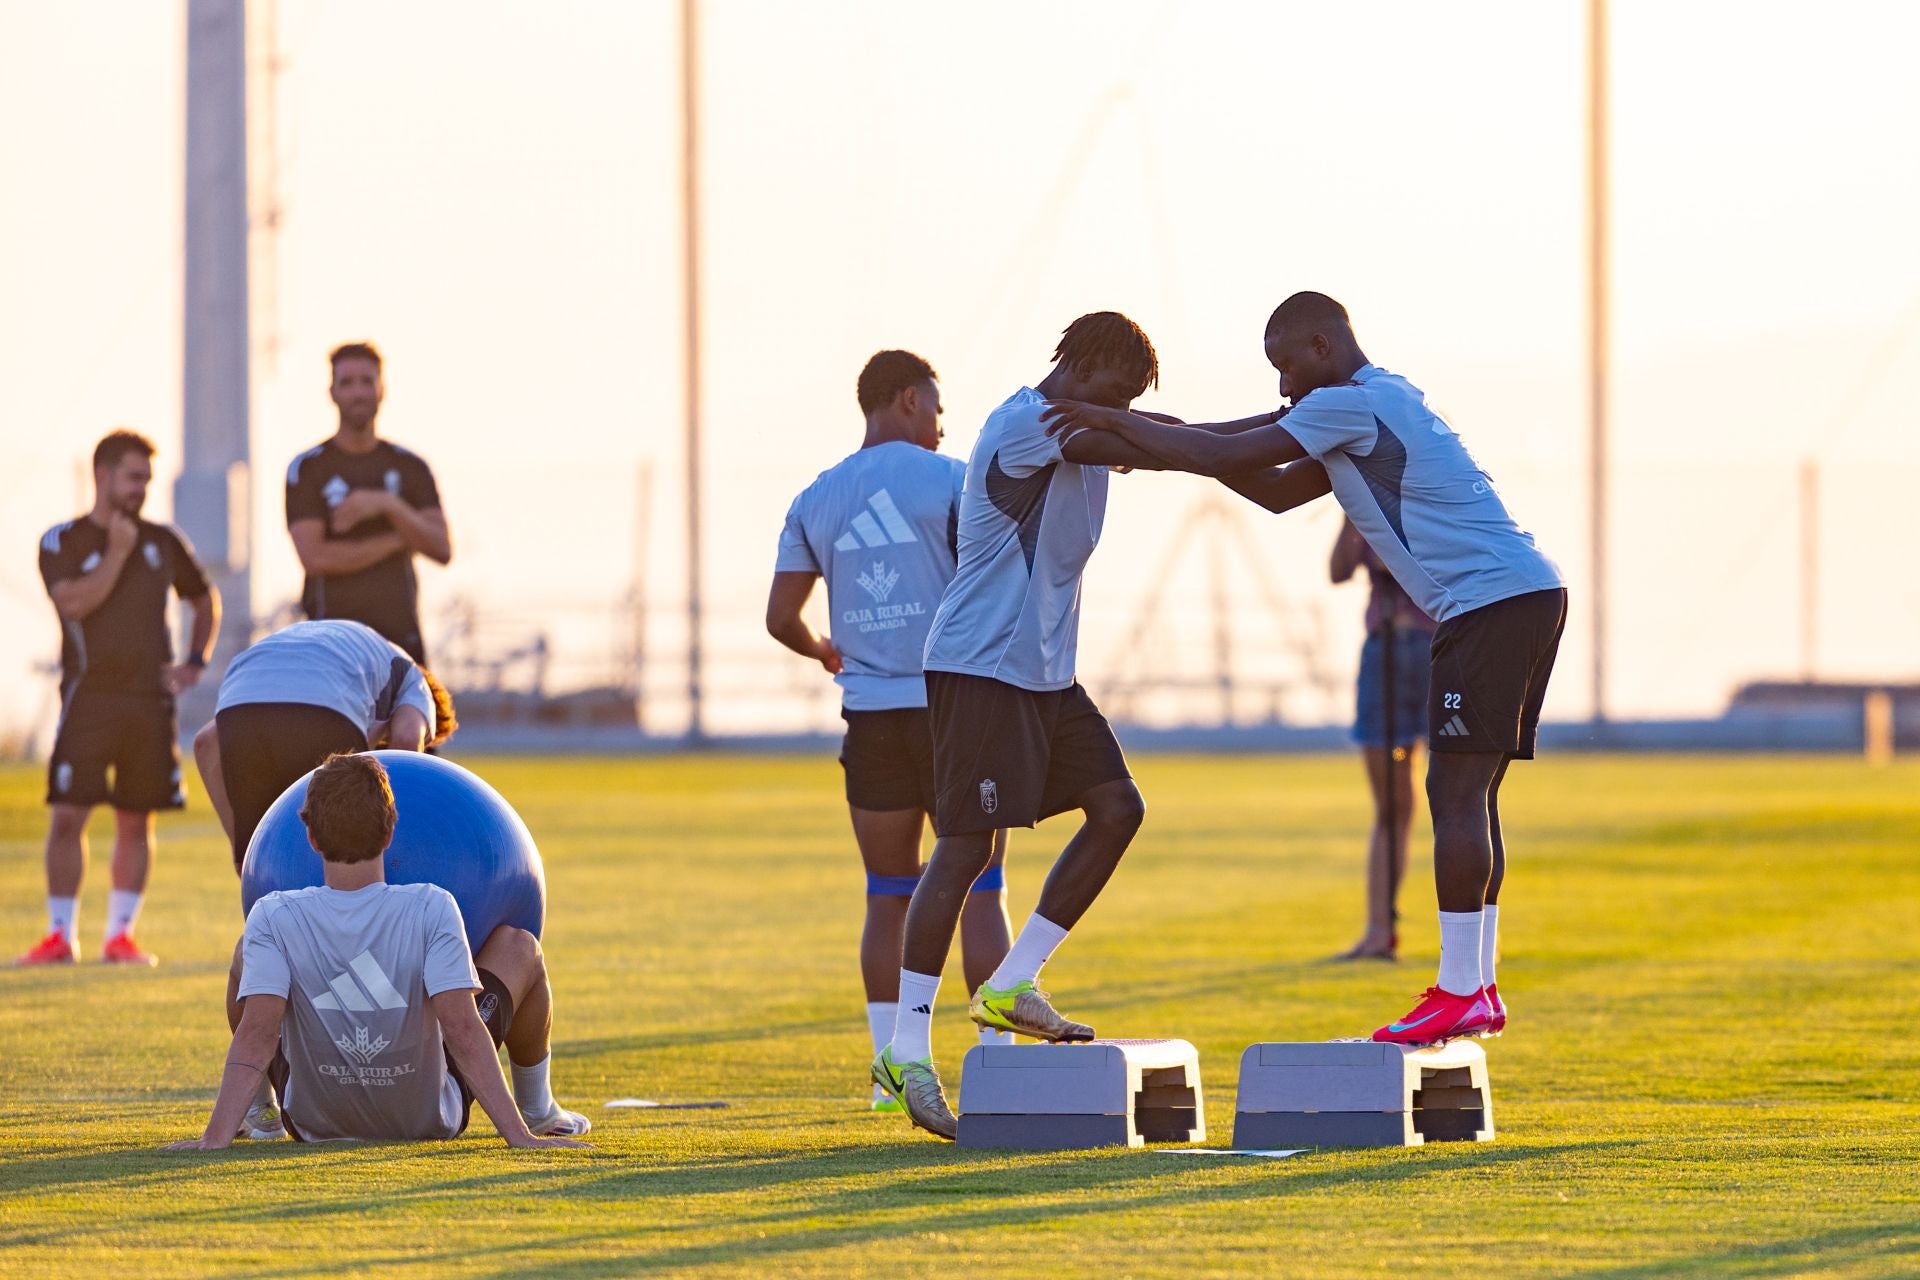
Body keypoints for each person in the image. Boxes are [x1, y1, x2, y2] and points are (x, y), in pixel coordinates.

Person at [1042, 292, 1567, 1045]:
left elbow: (1231, 452)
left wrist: (1117, 426)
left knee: (1453, 794)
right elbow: (1279, 487)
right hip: (1526, 592)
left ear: (1321, 346)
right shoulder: (1381, 398)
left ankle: (1461, 989)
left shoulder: (1350, 404)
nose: (1283, 386)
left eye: (1286, 365)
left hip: (1490, 603)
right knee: (1471, 795)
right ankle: (1475, 986)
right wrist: (1153, 436)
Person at [870, 312, 1183, 1140]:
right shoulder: (1026, 426)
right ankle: (903, 1047)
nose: (1114, 409)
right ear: (1079, 367)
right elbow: (1153, 443)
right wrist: (1249, 445)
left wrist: (1284, 435)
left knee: (1120, 808)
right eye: (1111, 392)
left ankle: (1012, 982)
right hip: (980, 667)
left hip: (1044, 675)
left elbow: (1163, 437)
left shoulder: (1088, 421)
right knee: (967, 849)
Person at [766, 350, 1014, 1114]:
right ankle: (998, 1066)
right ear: (907, 399)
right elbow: (1000, 574)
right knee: (980, 887)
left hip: (870, 715)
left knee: (887, 894)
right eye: (937, 407)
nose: (944, 425)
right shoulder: (951, 480)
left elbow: (780, 618)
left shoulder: (818, 497)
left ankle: (890, 1068)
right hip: (955, 710)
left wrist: (823, 649)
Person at [165, 753, 590, 1149]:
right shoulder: (433, 905)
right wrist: (520, 1139)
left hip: (313, 1123)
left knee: (248, 955)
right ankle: (537, 1112)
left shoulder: (273, 915)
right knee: (521, 947)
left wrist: (213, 1141)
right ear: (391, 831)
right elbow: (462, 1029)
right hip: (428, 1119)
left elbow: (257, 1035)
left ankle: (262, 1115)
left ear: (310, 836)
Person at [17, 430, 220, 968]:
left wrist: (195, 661)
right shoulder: (62, 541)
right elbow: (74, 603)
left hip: (150, 701)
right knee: (68, 815)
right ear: (102, 476)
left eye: (147, 481)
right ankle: (60, 935)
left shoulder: (164, 540)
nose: (141, 491)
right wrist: (118, 551)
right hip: (88, 698)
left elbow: (204, 598)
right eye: (133, 478)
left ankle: (120, 936)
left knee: (137, 818)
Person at [192, 619, 458, 872]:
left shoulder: (361, 654)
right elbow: (408, 741)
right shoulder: (414, 678)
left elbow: (205, 744)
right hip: (326, 709)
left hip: (239, 704)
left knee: (259, 865)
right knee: (349, 854)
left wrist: (245, 845)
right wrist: (399, 844)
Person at [286, 342, 451, 664]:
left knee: (419, 714)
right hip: (331, 643)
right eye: (347, 383)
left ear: (382, 389)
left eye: (367, 381)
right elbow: (316, 557)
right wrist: (399, 539)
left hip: (401, 643)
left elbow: (441, 547)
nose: (358, 393)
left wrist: (388, 504)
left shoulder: (411, 467)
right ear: (331, 392)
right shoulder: (309, 468)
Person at [1329, 516, 1437, 961]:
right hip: (1385, 650)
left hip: (1437, 650)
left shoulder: (1438, 494)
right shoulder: (1365, 502)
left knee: (1460, 797)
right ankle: (1378, 931)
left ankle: (1478, 937)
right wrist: (1351, 513)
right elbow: (1337, 571)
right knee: (1392, 804)